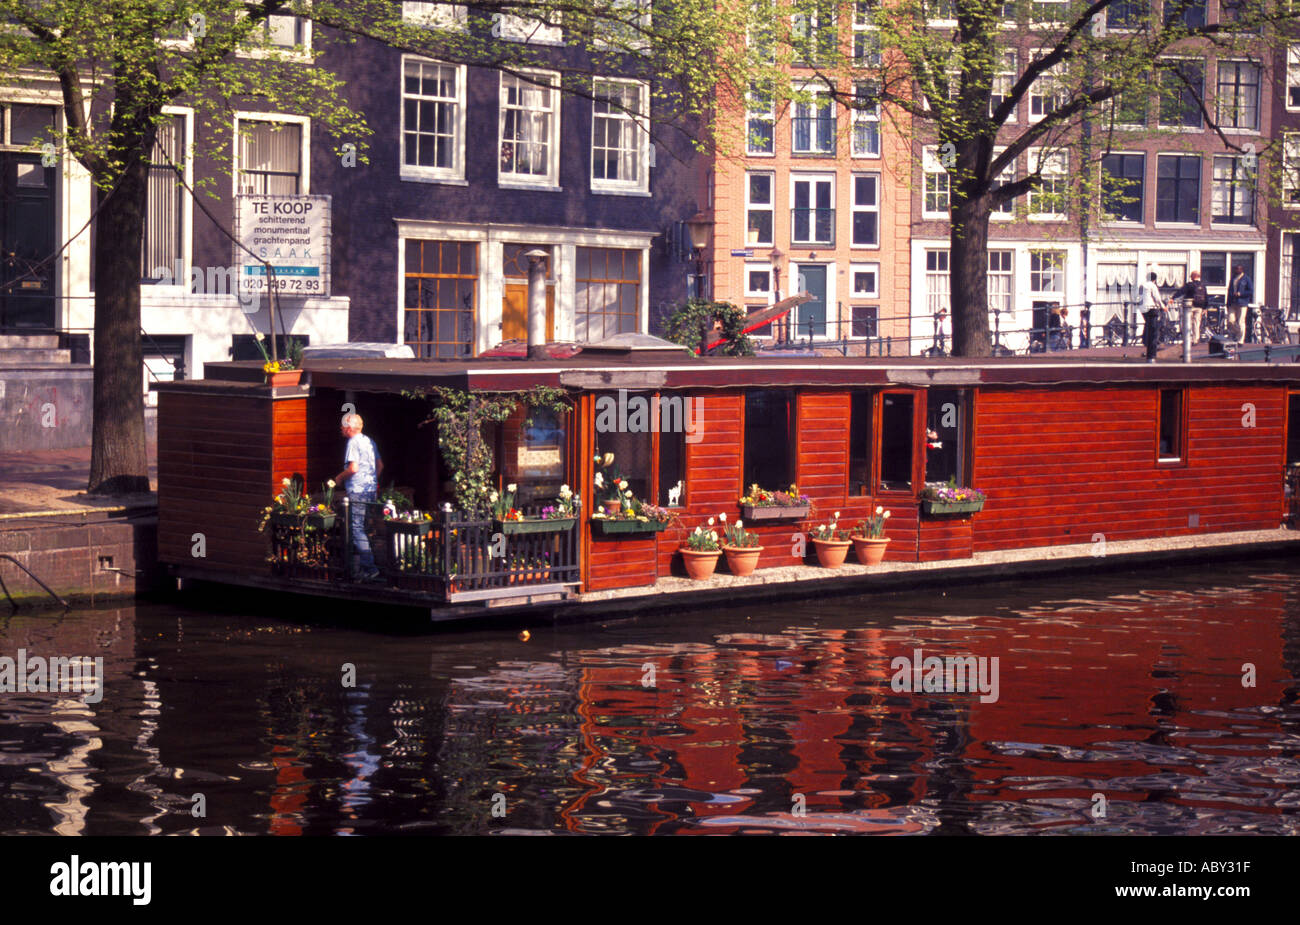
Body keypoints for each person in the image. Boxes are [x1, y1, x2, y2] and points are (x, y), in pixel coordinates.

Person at [335, 412, 383, 580]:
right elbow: (380, 465)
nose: (340, 428)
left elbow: (353, 468)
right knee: (365, 528)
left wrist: (339, 478)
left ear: (349, 428)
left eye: (342, 425)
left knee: (356, 529)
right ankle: (364, 567)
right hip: (370, 490)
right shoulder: (369, 441)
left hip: (358, 490)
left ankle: (370, 568)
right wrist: (372, 482)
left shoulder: (353, 442)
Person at [1168, 271, 1207, 343]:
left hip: (1190, 306)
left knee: (1187, 322)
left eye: (1191, 276)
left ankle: (1187, 339)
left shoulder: (1190, 285)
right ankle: (1195, 339)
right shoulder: (1203, 285)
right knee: (1196, 323)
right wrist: (1205, 308)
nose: (1190, 277)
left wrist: (1173, 298)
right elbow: (1206, 296)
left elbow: (1181, 291)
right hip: (1200, 307)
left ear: (1193, 276)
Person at [1137, 271, 1163, 362]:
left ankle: (1145, 341)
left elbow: (1139, 298)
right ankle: (1151, 355)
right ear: (1154, 279)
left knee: (1148, 326)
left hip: (1143, 309)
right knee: (1153, 331)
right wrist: (1163, 306)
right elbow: (1157, 298)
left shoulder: (1141, 285)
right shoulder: (1152, 285)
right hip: (1151, 308)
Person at [1228, 264, 1254, 344]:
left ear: (1242, 270)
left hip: (1242, 303)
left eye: (1238, 269)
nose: (1236, 271)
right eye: (1235, 269)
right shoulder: (1233, 278)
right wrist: (1227, 303)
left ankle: (1240, 340)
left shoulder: (1246, 279)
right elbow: (1229, 291)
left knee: (1240, 322)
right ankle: (1237, 333)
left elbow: (1250, 291)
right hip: (1232, 302)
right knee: (1230, 321)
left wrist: (1240, 293)